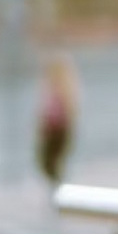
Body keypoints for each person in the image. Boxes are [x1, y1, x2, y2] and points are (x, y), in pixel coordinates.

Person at [36, 52, 80, 191]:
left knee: (54, 160)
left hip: (60, 130)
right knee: (46, 161)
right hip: (50, 129)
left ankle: (58, 184)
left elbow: (71, 110)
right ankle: (56, 183)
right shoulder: (49, 89)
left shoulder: (66, 89)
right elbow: (44, 111)